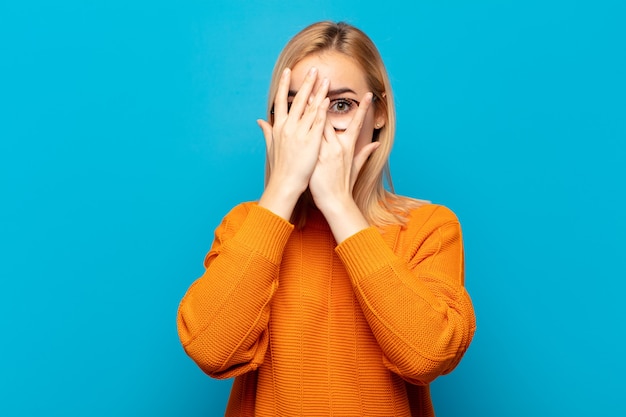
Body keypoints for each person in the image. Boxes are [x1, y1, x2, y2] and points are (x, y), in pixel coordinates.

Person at [177, 21, 476, 416]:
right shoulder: (246, 225)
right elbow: (211, 349)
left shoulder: (429, 228)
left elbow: (428, 355)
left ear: (380, 113)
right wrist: (282, 188)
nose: (316, 127)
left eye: (340, 105)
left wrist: (338, 204)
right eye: (296, 106)